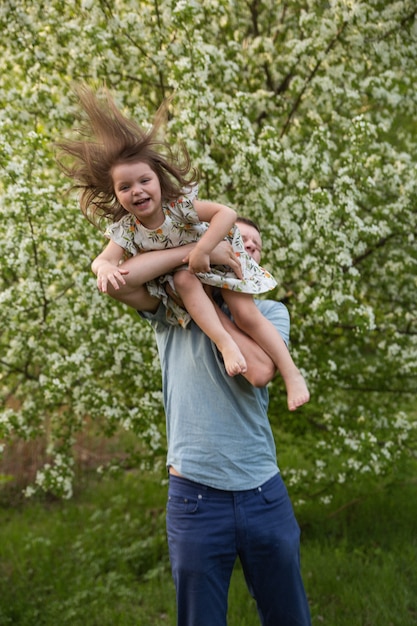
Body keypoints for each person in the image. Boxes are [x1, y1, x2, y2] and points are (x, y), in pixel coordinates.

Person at [57, 85, 309, 411]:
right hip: (187, 273)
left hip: (219, 259)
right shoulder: (126, 228)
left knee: (246, 313)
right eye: (125, 187)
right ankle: (226, 344)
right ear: (116, 195)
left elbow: (226, 214)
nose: (137, 191)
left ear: (159, 183)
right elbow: (104, 260)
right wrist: (103, 267)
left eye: (144, 181)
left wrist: (204, 249)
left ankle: (292, 375)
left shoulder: (179, 206)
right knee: (184, 282)